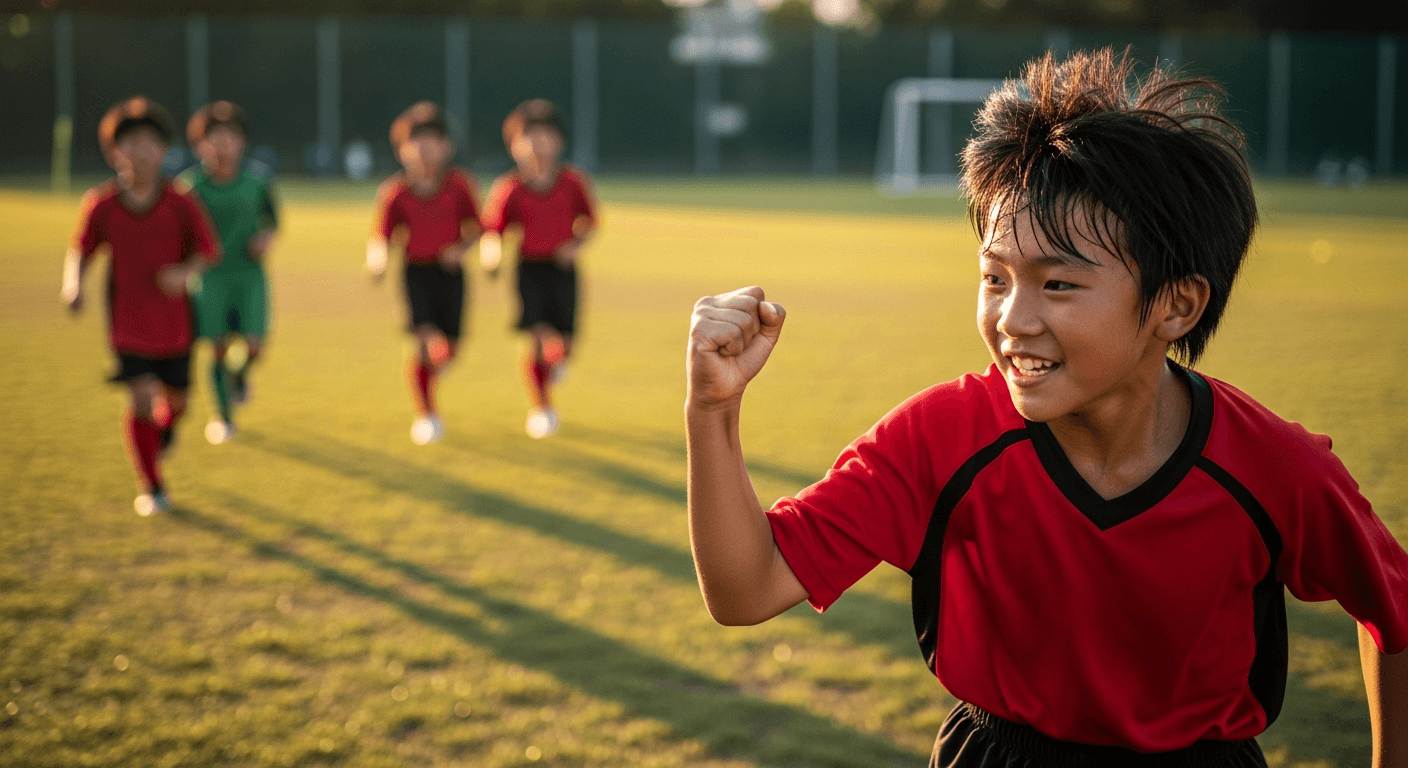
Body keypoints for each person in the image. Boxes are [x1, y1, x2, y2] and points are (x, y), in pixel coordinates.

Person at [685, 49, 1408, 767]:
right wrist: (712, 409)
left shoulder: (1272, 468)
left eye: (1057, 284)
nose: (1012, 319)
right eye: (995, 277)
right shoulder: (941, 438)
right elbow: (746, 589)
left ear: (1178, 305)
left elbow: (1395, 610)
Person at [62, 96, 221, 515]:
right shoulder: (102, 204)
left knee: (179, 402)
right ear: (114, 152)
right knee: (141, 398)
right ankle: (151, 486)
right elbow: (80, 250)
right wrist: (73, 285)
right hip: (128, 324)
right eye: (130, 143)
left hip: (175, 324)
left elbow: (207, 250)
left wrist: (184, 273)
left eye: (150, 142)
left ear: (164, 149)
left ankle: (161, 435)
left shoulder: (180, 201)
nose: (141, 151)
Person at [480, 99, 597, 439]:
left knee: (566, 340)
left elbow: (589, 221)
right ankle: (542, 408)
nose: (537, 144)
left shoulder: (572, 182)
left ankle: (557, 362)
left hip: (563, 269)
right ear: (514, 145)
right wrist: (492, 257)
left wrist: (573, 246)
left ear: (558, 141)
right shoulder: (510, 188)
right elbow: (494, 229)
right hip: (529, 268)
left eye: (545, 135)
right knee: (535, 337)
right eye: (528, 137)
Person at [367, 102, 482, 445]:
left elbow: (477, 227)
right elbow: (382, 235)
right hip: (416, 273)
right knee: (424, 341)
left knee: (451, 348)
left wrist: (459, 250)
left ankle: (432, 377)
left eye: (433, 140)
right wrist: (378, 261)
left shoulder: (460, 185)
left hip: (451, 275)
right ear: (401, 149)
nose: (425, 148)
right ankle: (426, 415)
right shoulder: (396, 192)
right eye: (416, 142)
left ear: (447, 147)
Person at [182, 100, 279, 444]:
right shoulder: (190, 188)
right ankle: (223, 418)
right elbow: (180, 234)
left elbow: (272, 220)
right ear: (200, 144)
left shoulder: (257, 182)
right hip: (211, 278)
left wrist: (266, 239)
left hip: (249, 274)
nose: (223, 143)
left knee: (254, 345)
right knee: (219, 348)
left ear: (242, 141)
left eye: (231, 135)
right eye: (215, 136)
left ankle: (239, 377)